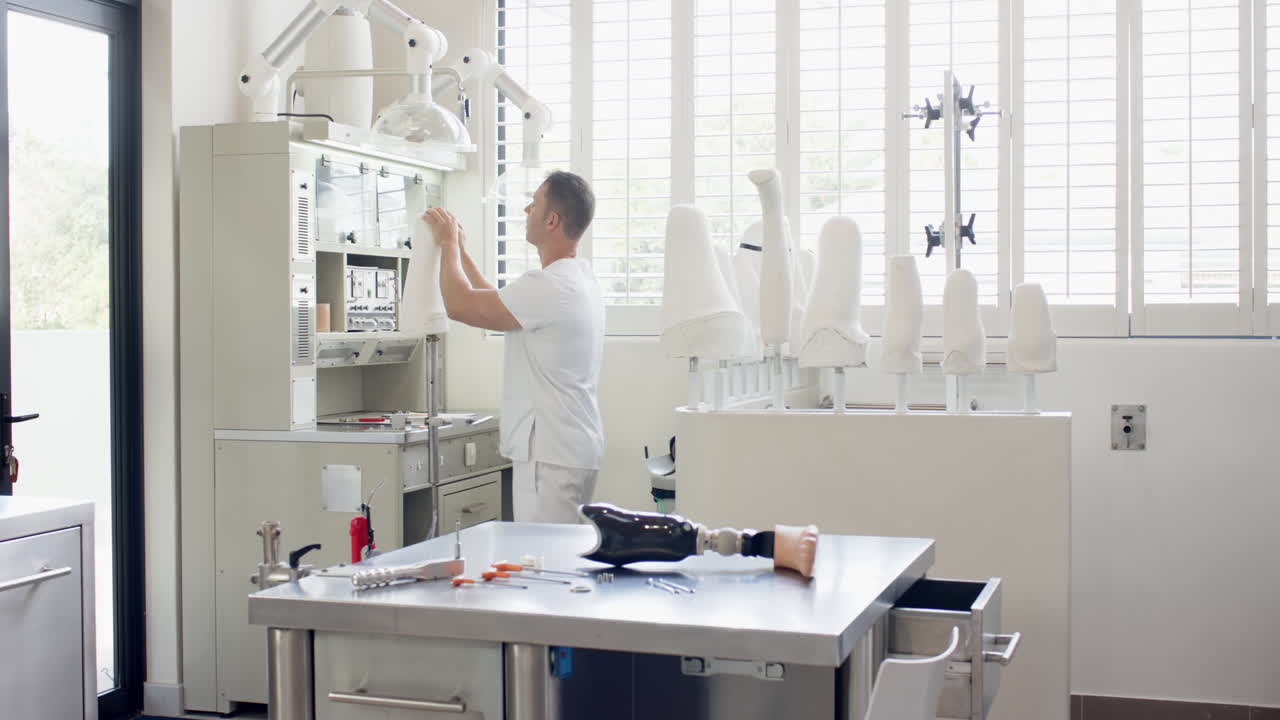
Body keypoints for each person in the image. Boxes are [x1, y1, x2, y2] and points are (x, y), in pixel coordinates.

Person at [423, 170, 604, 524]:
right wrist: (459, 249)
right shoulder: (576, 278)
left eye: (533, 204)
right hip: (569, 446)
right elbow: (492, 299)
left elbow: (461, 305)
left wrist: (446, 244)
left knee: (546, 562)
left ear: (552, 219)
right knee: (557, 557)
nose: (525, 210)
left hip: (551, 454)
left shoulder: (551, 286)